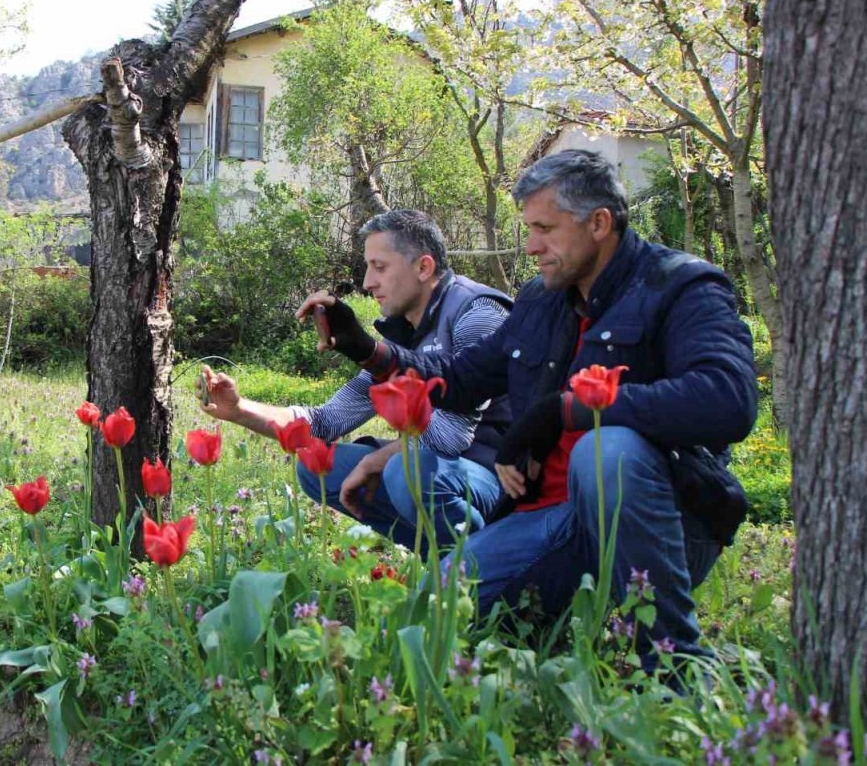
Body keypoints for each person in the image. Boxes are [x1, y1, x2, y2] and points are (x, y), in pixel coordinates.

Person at [307, 150, 757, 661]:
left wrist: (568, 411)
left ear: (599, 223)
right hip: (547, 515)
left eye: (545, 228)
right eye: (528, 228)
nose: (531, 246)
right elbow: (457, 380)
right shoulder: (540, 299)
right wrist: (365, 348)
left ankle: (672, 657)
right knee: (432, 607)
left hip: (660, 521)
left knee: (604, 451)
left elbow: (729, 398)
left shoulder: (680, 286)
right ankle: (557, 621)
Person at [199, 209, 511, 553]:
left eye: (380, 267)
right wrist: (239, 409)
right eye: (368, 267)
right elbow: (326, 421)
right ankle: (440, 561)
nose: (367, 282)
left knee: (404, 472)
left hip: (496, 473)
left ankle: (481, 567)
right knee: (317, 467)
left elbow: (450, 436)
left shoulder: (477, 312)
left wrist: (374, 460)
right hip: (438, 469)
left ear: (423, 267)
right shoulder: (402, 332)